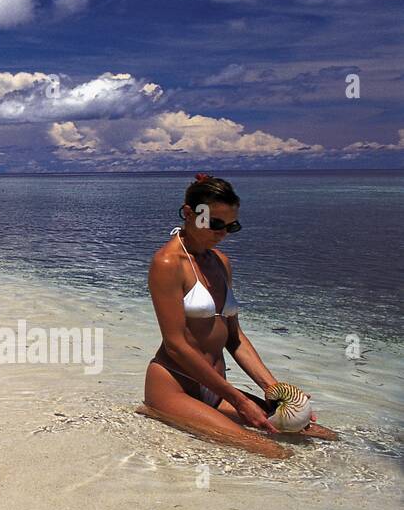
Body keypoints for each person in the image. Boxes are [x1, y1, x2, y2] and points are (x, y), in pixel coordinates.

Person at [138, 174, 336, 457]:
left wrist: (275, 390)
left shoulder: (220, 262)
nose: (223, 233)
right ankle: (158, 411)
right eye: (214, 223)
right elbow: (176, 345)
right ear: (188, 213)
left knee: (317, 434)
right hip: (175, 387)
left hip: (217, 389)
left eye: (232, 226)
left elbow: (235, 337)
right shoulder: (167, 263)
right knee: (272, 452)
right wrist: (239, 400)